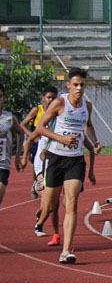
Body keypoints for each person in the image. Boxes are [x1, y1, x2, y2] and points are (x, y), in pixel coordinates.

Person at [21, 68, 101, 264]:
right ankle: (41, 211)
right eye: (75, 85)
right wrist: (61, 139)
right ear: (68, 86)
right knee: (49, 205)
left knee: (72, 203)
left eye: (82, 85)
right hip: (55, 157)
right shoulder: (59, 103)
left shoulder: (86, 106)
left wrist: (95, 141)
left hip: (75, 160)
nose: (79, 88)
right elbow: (39, 127)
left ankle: (66, 250)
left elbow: (88, 125)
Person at [21, 86, 57, 202]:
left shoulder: (56, 113)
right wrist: (33, 135)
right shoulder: (37, 110)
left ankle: (40, 184)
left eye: (53, 97)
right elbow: (23, 124)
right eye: (48, 97)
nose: (51, 100)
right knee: (36, 166)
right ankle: (36, 183)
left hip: (48, 143)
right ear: (43, 98)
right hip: (36, 142)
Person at [0, 85, 28, 206]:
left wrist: (17, 155)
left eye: (0, 96)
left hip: (3, 163)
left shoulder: (9, 117)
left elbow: (20, 132)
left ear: (3, 98)